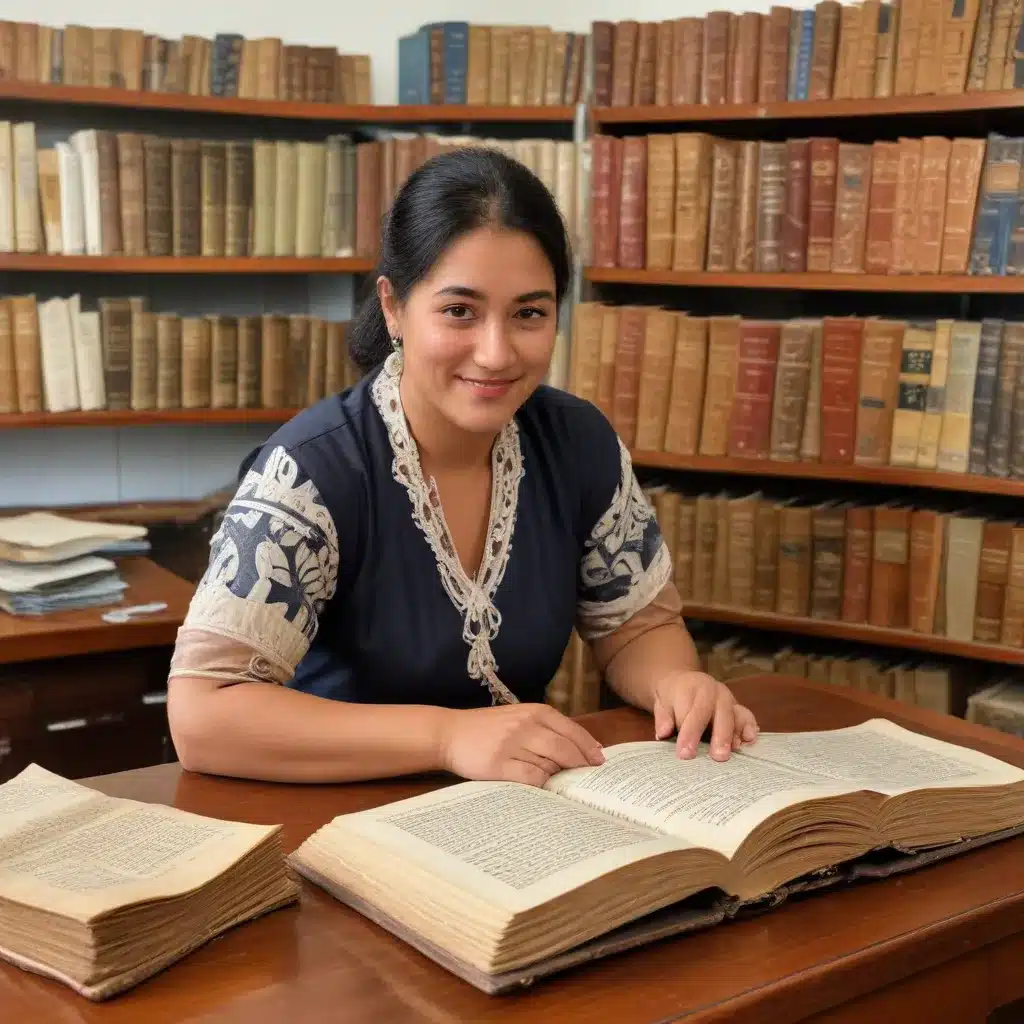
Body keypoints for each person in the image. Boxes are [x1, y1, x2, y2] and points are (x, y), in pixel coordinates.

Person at [166, 145, 759, 787]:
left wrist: (676, 680)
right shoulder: (309, 472)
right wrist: (449, 737)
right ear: (393, 307)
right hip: (338, 810)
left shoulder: (578, 441)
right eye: (459, 312)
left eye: (529, 313)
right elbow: (203, 716)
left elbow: (637, 627)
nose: (497, 352)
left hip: (517, 806)